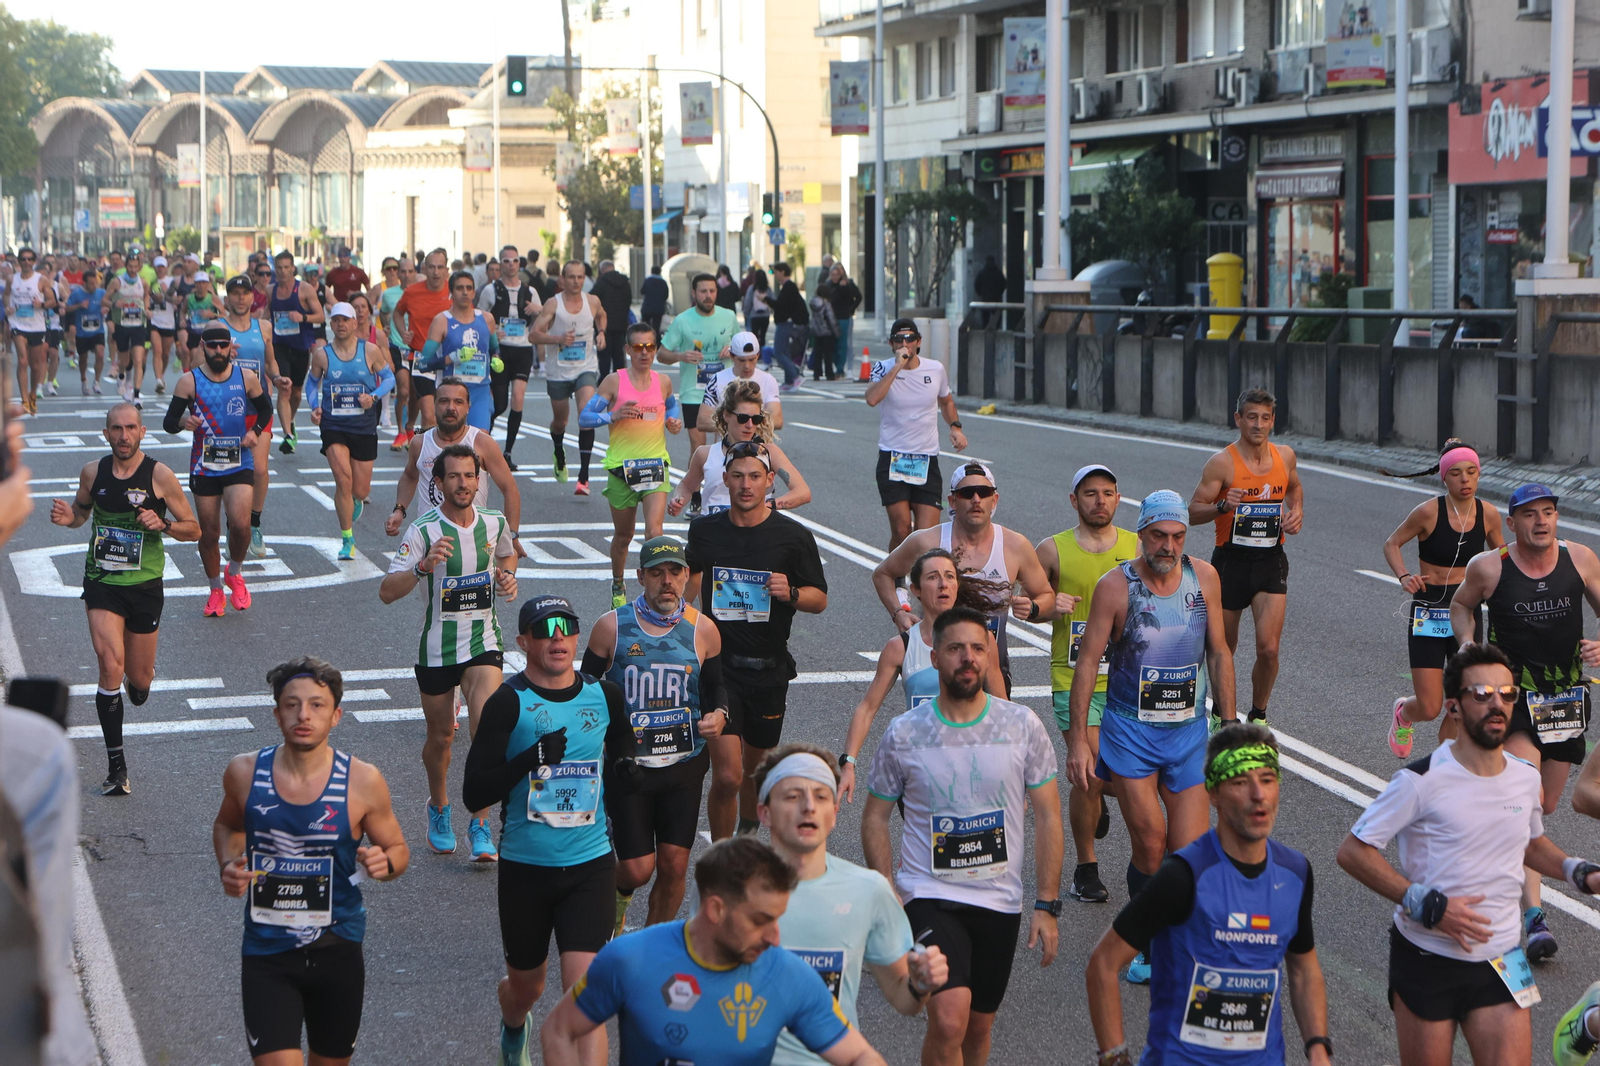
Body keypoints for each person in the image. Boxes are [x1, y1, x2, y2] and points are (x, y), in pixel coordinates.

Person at [1337, 642, 1600, 1066]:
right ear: (1454, 707)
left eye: (1507, 694)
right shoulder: (1420, 780)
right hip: (1427, 958)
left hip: (1503, 956)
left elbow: (1529, 842)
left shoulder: (1524, 777)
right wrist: (1424, 902)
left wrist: (1577, 871)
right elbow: (1354, 851)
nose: (1497, 704)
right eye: (1482, 694)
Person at [861, 604, 1061, 1066]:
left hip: (999, 898)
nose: (967, 658)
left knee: (978, 1028)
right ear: (934, 658)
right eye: (955, 649)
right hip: (928, 892)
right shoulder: (905, 733)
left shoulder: (1022, 726)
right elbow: (874, 817)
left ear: (989, 656)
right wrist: (887, 888)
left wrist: (1047, 904)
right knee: (949, 1018)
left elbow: (1050, 815)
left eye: (977, 648)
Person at [1066, 489, 1238, 986]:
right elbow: (1088, 664)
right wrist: (1078, 740)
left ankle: (1177, 940)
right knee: (1150, 843)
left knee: (1189, 850)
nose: (1169, 546)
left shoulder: (1204, 578)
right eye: (1159, 536)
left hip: (1188, 734)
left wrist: (1229, 726)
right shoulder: (1115, 587)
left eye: (1178, 536)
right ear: (1141, 534)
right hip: (1131, 734)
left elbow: (1219, 652)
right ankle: (1145, 942)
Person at [1085, 724, 1332, 1066]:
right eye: (1240, 782)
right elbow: (1102, 964)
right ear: (1213, 794)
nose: (1258, 795)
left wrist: (1318, 1048)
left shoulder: (1295, 873)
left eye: (1267, 779)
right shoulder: (1183, 875)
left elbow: (1303, 969)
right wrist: (1114, 1057)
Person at [462, 594, 636, 1066]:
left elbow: (622, 750)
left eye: (566, 627)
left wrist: (626, 771)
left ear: (577, 637)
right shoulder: (508, 703)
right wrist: (531, 758)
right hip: (526, 867)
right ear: (523, 642)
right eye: (544, 629)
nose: (557, 637)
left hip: (589, 863)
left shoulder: (604, 695)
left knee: (586, 1000)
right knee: (528, 987)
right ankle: (513, 1024)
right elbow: (474, 793)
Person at [212, 657, 409, 1066]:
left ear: (336, 716)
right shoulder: (245, 773)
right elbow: (228, 826)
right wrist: (229, 863)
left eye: (317, 705)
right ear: (276, 714)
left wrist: (384, 864)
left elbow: (397, 849)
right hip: (267, 952)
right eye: (292, 704)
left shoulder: (362, 780)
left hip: (338, 951)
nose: (304, 715)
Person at [539, 836, 889, 1066]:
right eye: (760, 921)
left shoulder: (787, 975)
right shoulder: (631, 959)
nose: (775, 938)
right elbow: (558, 1030)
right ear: (716, 909)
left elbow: (859, 1056)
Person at [1447, 482, 1600, 965]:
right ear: (1511, 523)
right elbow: (1460, 605)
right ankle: (1534, 918)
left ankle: (1489, 848)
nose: (1541, 521)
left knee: (1545, 804)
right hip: (1512, 700)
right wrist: (1468, 644)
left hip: (1565, 701)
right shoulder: (1489, 567)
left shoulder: (1581, 559)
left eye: (1548, 512)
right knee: (1526, 802)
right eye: (1530, 514)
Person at [757, 743, 951, 1066]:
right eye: (792, 796)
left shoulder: (868, 890)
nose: (809, 807)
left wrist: (920, 985)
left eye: (821, 797)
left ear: (834, 813)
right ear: (764, 812)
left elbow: (902, 996)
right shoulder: (728, 890)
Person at [379, 442, 520, 860]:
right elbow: (387, 592)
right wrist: (423, 567)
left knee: (485, 728)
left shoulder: (494, 522)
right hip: (438, 648)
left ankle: (480, 822)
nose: (463, 483)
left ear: (479, 481)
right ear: (438, 483)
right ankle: (439, 807)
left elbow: (507, 556)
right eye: (454, 476)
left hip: (483, 642)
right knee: (441, 738)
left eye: (470, 476)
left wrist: (507, 578)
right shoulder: (423, 530)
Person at [579, 536, 728, 932]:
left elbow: (715, 687)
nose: (667, 581)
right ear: (640, 576)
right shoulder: (611, 627)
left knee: (675, 864)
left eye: (675, 572)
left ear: (687, 576)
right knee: (636, 868)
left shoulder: (703, 629)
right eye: (657, 573)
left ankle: (649, 944)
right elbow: (583, 692)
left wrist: (719, 715)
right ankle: (613, 905)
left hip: (685, 762)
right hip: (630, 766)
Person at [50, 402, 199, 795]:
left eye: (131, 428)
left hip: (145, 584)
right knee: (108, 666)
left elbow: (194, 529)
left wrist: (163, 523)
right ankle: (117, 768)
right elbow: (81, 512)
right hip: (102, 581)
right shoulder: (92, 472)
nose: (123, 435)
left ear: (142, 432)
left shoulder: (160, 476)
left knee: (139, 676)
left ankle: (140, 683)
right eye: (116, 428)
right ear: (106, 434)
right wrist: (69, 518)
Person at [684, 441, 828, 838]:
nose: (745, 485)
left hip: (768, 669)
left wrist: (791, 593)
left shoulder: (793, 536)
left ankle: (745, 840)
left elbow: (819, 599)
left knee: (754, 772)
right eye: (737, 476)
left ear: (769, 481)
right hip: (720, 668)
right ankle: (722, 855)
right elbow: (690, 576)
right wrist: (676, 616)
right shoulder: (705, 530)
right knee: (728, 775)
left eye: (754, 477)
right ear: (724, 480)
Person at [1037, 464, 1139, 904]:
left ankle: (1099, 802)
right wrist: (1047, 606)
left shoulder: (1138, 546)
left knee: (1114, 775)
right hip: (1073, 676)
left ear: (1118, 498)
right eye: (1091, 493)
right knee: (1090, 774)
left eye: (1108, 493)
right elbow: (1027, 603)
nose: (1100, 501)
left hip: (1127, 679)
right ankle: (1086, 869)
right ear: (1074, 500)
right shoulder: (1052, 550)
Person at [872, 462, 1055, 693]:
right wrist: (898, 614)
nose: (976, 499)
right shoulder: (927, 541)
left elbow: (1047, 597)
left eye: (984, 492)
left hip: (991, 672)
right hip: (936, 672)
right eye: (967, 493)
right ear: (952, 501)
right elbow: (883, 574)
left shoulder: (1015, 546)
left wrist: (1033, 608)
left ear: (994, 500)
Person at [839, 550, 1007, 801]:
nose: (943, 584)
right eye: (933, 577)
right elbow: (867, 708)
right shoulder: (901, 647)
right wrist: (848, 763)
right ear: (915, 589)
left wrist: (1012, 770)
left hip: (972, 766)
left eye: (949, 576)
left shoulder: (982, 640)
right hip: (919, 772)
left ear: (957, 585)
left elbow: (1002, 706)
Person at [1187, 387, 1304, 727]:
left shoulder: (1285, 456)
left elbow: (1294, 487)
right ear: (1238, 419)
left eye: (1265, 418)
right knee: (1223, 647)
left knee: (1269, 649)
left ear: (1273, 421)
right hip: (1230, 563)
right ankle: (1219, 714)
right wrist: (1222, 506)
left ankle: (1258, 715)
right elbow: (1192, 511)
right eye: (1251, 417)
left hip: (1270, 560)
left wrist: (1296, 511)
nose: (1258, 425)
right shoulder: (1222, 463)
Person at [1381, 440, 1505, 757]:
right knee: (1430, 706)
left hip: (1467, 609)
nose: (1465, 480)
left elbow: (1503, 558)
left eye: (1471, 472)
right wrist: (1404, 576)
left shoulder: (1489, 515)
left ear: (1479, 475)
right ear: (1444, 477)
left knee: (1464, 700)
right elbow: (1392, 544)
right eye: (1456, 473)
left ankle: (1446, 761)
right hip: (1430, 606)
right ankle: (1403, 713)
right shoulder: (1428, 512)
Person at [165, 322, 275, 618]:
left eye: (222, 346)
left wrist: (256, 432)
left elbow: (266, 409)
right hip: (204, 466)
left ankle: (234, 572)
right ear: (203, 346)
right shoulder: (189, 382)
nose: (217, 351)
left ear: (230, 347)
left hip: (239, 461)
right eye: (211, 346)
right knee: (210, 532)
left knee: (240, 525)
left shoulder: (246, 377)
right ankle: (215, 588)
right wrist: (183, 422)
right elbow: (169, 422)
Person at [579, 322, 683, 608]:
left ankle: (656, 591)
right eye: (638, 347)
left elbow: (671, 405)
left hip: (655, 465)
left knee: (654, 533)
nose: (645, 353)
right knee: (624, 536)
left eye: (650, 347)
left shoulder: (663, 382)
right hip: (622, 470)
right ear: (628, 349)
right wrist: (611, 416)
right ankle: (617, 582)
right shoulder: (614, 381)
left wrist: (673, 421)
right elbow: (584, 417)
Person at [864, 319, 967, 551]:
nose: (905, 344)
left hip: (925, 459)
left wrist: (955, 426)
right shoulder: (882, 367)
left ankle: (920, 574)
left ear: (919, 341)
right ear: (891, 343)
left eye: (910, 338)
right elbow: (872, 399)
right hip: (893, 457)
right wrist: (897, 367)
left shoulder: (935, 369)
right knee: (901, 531)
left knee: (926, 537)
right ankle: (896, 572)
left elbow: (946, 401)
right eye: (899, 339)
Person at [387, 377, 524, 550]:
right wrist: (399, 510)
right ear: (434, 405)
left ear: (468, 407)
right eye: (444, 401)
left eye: (458, 402)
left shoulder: (482, 443)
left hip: (472, 541)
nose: (451, 408)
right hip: (429, 541)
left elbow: (510, 489)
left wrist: (512, 535)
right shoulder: (420, 443)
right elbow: (410, 476)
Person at [309, 302, 395, 560]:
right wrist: (314, 407)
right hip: (333, 425)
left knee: (360, 489)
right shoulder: (322, 355)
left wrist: (373, 396)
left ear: (355, 323)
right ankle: (347, 538)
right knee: (343, 480)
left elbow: (389, 378)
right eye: (336, 320)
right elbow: (312, 383)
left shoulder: (369, 350)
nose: (341, 324)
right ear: (331, 323)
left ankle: (355, 499)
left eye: (345, 320)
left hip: (363, 425)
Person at [669, 378, 810, 518]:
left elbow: (802, 492)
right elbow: (687, 486)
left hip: (753, 529)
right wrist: (678, 500)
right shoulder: (705, 454)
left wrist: (770, 505)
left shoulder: (769, 453)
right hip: (714, 529)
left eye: (756, 419)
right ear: (726, 415)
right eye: (743, 418)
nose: (749, 425)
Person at [220, 275, 288, 560]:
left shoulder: (264, 327)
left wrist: (277, 377)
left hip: (258, 408)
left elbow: (269, 361)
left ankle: (255, 523)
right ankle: (234, 526)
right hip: (225, 410)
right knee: (229, 472)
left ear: (252, 297)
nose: (240, 298)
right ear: (227, 299)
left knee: (259, 470)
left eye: (245, 293)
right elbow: (197, 363)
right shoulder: (218, 327)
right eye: (235, 293)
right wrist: (222, 356)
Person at [657, 272, 739, 496]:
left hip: (725, 391)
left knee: (727, 445)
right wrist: (681, 356)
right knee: (699, 446)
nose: (708, 295)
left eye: (712, 291)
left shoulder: (729, 316)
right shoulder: (683, 320)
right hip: (694, 392)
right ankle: (694, 496)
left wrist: (732, 350)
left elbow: (744, 348)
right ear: (694, 293)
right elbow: (662, 354)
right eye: (703, 291)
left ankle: (722, 494)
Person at [529, 259, 606, 490]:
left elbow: (602, 315)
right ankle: (558, 450)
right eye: (571, 277)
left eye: (580, 277)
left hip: (585, 366)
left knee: (586, 415)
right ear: (562, 279)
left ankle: (583, 476)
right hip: (558, 371)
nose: (576, 281)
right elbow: (533, 335)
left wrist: (601, 332)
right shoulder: (553, 304)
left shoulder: (592, 301)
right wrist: (558, 339)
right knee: (560, 422)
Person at [481, 244, 539, 468]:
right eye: (506, 261)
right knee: (500, 403)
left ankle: (507, 453)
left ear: (519, 263)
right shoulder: (490, 290)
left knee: (518, 397)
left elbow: (544, 319)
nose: (511, 265)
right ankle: (481, 439)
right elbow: (479, 318)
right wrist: (492, 332)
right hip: (500, 349)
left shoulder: (530, 291)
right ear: (500, 264)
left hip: (523, 348)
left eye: (515, 261)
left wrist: (539, 310)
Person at [418, 270, 499, 429]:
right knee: (452, 440)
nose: (465, 292)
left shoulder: (487, 319)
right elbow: (423, 364)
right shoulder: (442, 321)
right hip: (451, 394)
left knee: (480, 437)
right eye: (460, 288)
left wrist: (496, 358)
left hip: (480, 391)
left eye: (469, 288)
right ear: (451, 293)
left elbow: (495, 348)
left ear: (474, 292)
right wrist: (453, 357)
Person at [392, 248, 453, 445]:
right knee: (428, 414)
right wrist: (403, 332)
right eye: (432, 267)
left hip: (449, 358)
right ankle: (431, 456)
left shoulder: (455, 291)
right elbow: (397, 313)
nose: (436, 272)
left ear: (446, 270)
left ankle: (445, 451)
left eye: (440, 267)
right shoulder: (412, 292)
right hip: (422, 357)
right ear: (424, 269)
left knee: (448, 411)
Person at [267, 252, 324, 454]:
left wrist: (303, 317)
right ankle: (287, 435)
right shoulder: (270, 290)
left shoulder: (304, 289)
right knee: (284, 387)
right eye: (279, 267)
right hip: (279, 344)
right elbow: (267, 315)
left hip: (300, 346)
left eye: (286, 267)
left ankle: (290, 421)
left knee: (296, 391)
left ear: (293, 268)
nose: (282, 271)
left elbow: (321, 316)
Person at [698, 330, 784, 435]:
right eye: (742, 360)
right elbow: (702, 421)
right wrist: (737, 424)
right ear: (731, 356)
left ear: (758, 355)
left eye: (751, 360)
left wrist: (746, 423)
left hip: (759, 444)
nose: (747, 366)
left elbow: (777, 420)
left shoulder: (768, 380)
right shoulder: (717, 379)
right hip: (727, 444)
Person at [8, 246, 52, 414]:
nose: (26, 262)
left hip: (36, 326)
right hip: (17, 324)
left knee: (34, 365)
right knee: (22, 361)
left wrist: (41, 304)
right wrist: (7, 307)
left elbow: (52, 301)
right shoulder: (12, 279)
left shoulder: (41, 280)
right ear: (19, 261)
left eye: (30, 259)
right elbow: (6, 296)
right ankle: (24, 399)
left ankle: (32, 394)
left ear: (34, 261)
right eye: (23, 259)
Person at [379, 259, 416, 439]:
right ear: (398, 273)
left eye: (410, 271)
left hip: (419, 348)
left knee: (415, 393)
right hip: (398, 345)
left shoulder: (422, 293)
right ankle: (401, 431)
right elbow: (384, 311)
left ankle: (410, 426)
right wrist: (386, 326)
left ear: (415, 273)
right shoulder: (388, 294)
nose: (406, 275)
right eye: (403, 271)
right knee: (403, 390)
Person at [67, 267, 106, 395]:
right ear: (85, 283)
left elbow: (109, 303)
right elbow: (67, 308)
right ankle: (84, 379)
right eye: (91, 283)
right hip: (82, 332)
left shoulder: (101, 293)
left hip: (97, 330)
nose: (94, 286)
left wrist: (106, 309)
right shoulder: (77, 294)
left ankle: (97, 382)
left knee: (100, 353)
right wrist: (79, 305)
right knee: (83, 358)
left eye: (96, 283)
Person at [591, 259, 633, 377]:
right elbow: (629, 300)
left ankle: (604, 378)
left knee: (604, 354)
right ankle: (619, 378)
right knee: (619, 354)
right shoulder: (625, 282)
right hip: (621, 323)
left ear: (602, 270)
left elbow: (593, 299)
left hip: (604, 325)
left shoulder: (602, 282)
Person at [769, 261, 807, 390]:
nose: (775, 275)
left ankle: (795, 376)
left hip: (786, 322)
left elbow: (781, 305)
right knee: (785, 352)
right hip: (787, 322)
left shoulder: (789, 287)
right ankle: (789, 381)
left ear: (782, 272)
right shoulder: (788, 287)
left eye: (776, 272)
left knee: (778, 352)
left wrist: (766, 299)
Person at [828, 263, 862, 379]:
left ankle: (840, 369)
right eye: (833, 274)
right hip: (831, 318)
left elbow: (854, 297)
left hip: (843, 317)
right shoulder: (828, 285)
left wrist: (851, 310)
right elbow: (830, 299)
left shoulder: (848, 284)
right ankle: (837, 365)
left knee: (843, 344)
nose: (835, 276)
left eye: (838, 273)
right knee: (832, 344)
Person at [808, 283, 838, 381]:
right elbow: (831, 318)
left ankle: (817, 373)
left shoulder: (813, 303)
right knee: (827, 354)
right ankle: (829, 374)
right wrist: (836, 331)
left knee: (817, 353)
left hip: (816, 331)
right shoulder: (826, 304)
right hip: (827, 331)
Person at [973, 256, 1008, 328]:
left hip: (985, 300)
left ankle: (985, 331)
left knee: (985, 320)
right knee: (997, 318)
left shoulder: (982, 273)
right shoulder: (998, 273)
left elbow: (976, 285)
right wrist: (999, 293)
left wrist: (981, 294)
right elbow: (1004, 284)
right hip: (996, 300)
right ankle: (996, 330)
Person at [743, 266, 773, 347]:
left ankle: (756, 351)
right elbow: (772, 300)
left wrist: (746, 313)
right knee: (763, 336)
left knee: (754, 336)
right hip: (765, 316)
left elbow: (748, 302)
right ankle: (762, 350)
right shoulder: (768, 289)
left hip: (754, 315)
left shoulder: (752, 289)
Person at [639, 264, 668, 336]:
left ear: (651, 271)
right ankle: (655, 340)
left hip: (647, 307)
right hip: (659, 308)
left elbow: (642, 291)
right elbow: (666, 295)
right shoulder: (663, 282)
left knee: (645, 327)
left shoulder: (647, 281)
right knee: (656, 327)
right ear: (660, 272)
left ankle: (645, 339)